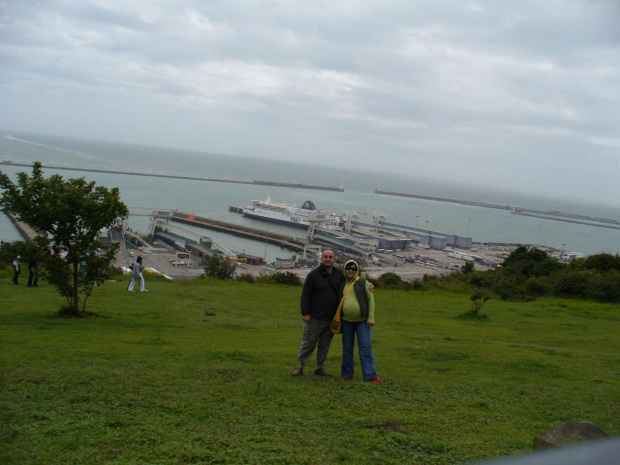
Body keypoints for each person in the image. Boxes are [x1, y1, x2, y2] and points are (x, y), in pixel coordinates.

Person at [291, 249, 344, 377]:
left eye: (330, 257)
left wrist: (368, 286)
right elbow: (306, 294)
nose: (328, 259)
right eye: (325, 257)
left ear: (335, 259)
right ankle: (300, 367)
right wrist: (305, 313)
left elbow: (352, 283)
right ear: (322, 259)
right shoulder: (314, 274)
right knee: (309, 342)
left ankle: (319, 368)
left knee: (325, 345)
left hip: (331, 318)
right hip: (315, 317)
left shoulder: (339, 275)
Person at [339, 260, 384, 383]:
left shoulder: (363, 282)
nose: (350, 270)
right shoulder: (341, 282)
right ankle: (347, 373)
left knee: (365, 347)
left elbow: (371, 300)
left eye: (353, 268)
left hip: (362, 321)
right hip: (346, 321)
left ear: (357, 270)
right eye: (348, 268)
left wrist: (371, 318)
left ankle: (370, 375)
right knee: (347, 348)